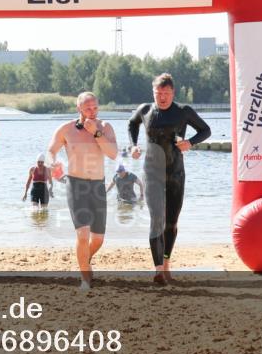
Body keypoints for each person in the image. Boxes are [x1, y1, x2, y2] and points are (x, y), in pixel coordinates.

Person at [128, 73, 211, 283]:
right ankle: (158, 270)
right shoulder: (145, 110)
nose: (162, 97)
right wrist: (133, 146)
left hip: (175, 173)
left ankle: (166, 263)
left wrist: (190, 142)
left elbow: (205, 130)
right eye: (158, 93)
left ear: (173, 93)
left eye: (166, 93)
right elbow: (132, 124)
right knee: (157, 220)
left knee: (171, 223)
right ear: (153, 93)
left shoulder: (183, 112)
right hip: (152, 173)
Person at [46, 91, 118, 290]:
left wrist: (96, 132)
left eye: (95, 107)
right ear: (79, 108)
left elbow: (113, 154)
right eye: (88, 108)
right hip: (76, 185)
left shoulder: (105, 127)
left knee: (98, 239)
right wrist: (53, 164)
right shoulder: (66, 129)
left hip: (97, 186)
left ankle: (84, 261)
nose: (92, 111)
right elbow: (50, 151)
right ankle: (85, 278)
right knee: (83, 235)